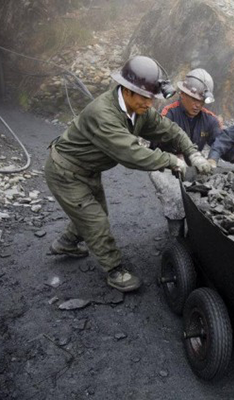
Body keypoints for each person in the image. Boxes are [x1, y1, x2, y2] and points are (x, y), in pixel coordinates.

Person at [44, 56, 211, 293]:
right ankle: (115, 271)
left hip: (88, 169)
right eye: (145, 98)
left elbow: (170, 129)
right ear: (126, 90)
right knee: (96, 221)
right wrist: (172, 161)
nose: (149, 104)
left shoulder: (139, 109)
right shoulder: (104, 114)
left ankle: (66, 243)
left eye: (152, 98)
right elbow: (132, 154)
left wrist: (192, 153)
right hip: (66, 171)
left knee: (94, 212)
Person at [149, 68, 234, 237]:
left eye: (201, 101)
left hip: (193, 164)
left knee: (212, 192)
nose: (198, 105)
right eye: (194, 99)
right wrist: (175, 154)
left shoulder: (209, 119)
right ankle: (176, 236)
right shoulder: (168, 113)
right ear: (182, 94)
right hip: (163, 165)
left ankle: (202, 232)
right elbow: (155, 144)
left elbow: (220, 142)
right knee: (175, 196)